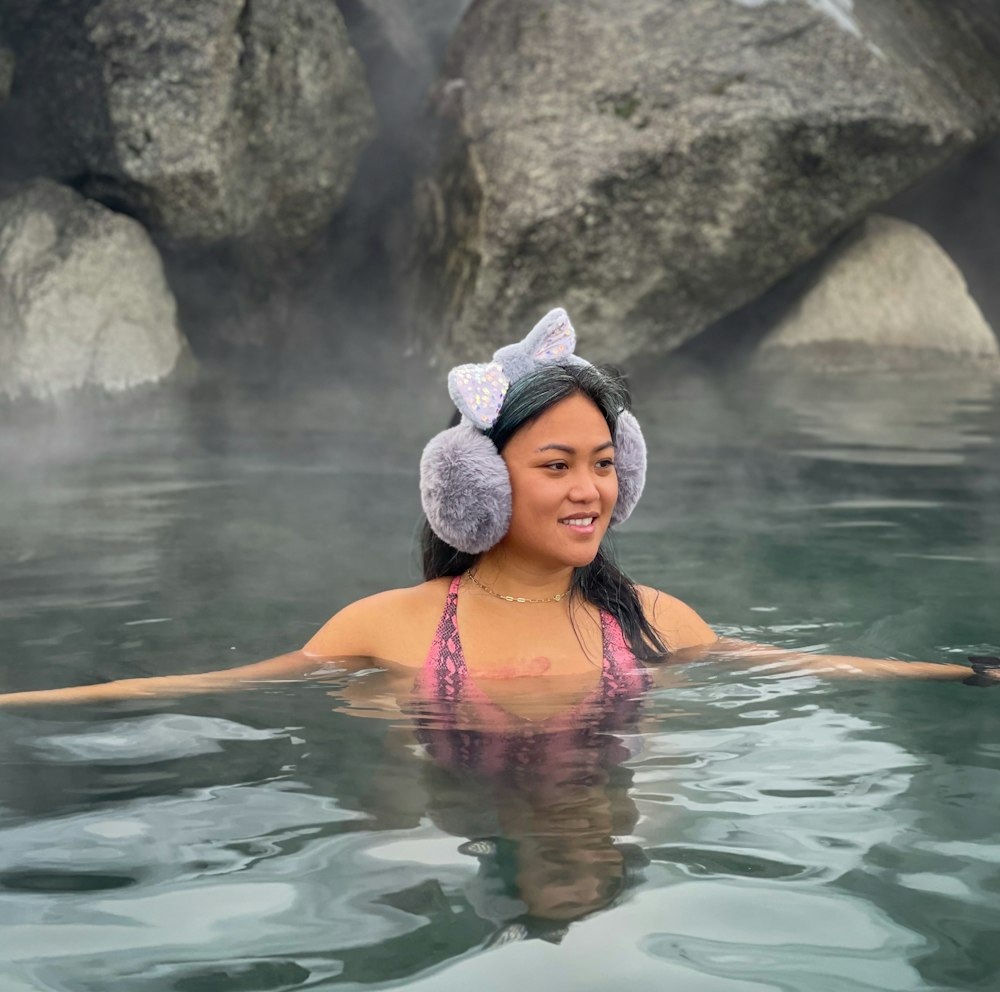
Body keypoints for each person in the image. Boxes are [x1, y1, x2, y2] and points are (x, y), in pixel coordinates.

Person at [1, 306, 997, 712]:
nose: (588, 490)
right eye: (556, 463)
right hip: (444, 842)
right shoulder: (381, 625)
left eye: (604, 464)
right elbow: (202, 688)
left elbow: (809, 667)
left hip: (614, 847)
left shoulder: (651, 622)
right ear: (471, 484)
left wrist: (968, 670)